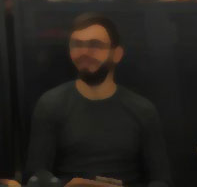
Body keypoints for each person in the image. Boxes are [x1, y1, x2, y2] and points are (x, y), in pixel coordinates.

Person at [25, 13, 170, 187]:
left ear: (117, 54)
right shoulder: (51, 104)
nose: (84, 52)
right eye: (77, 44)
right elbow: (35, 176)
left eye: (95, 45)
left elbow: (161, 180)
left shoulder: (142, 110)